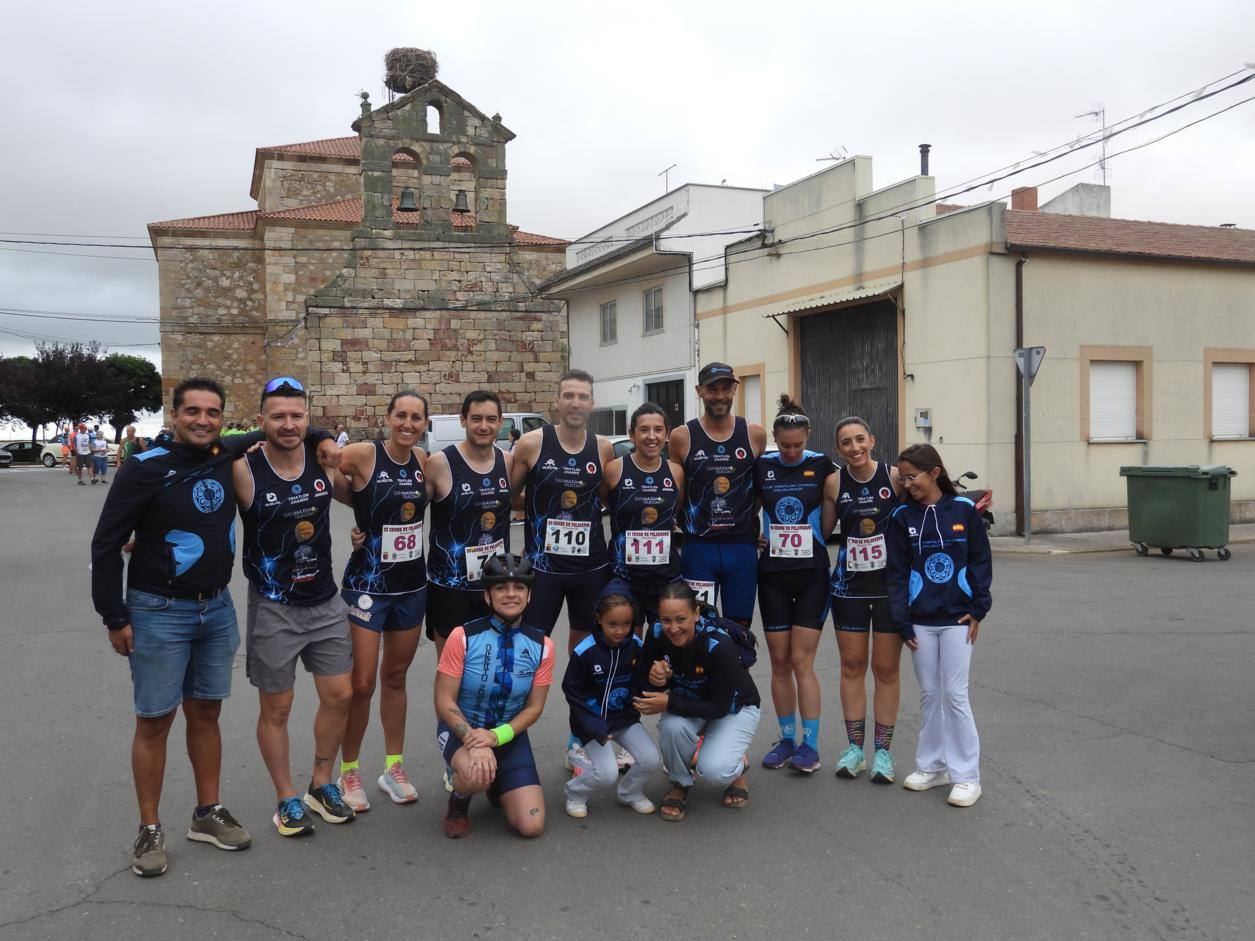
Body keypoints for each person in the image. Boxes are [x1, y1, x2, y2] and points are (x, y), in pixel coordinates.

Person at [90, 378, 253, 877]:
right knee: (155, 720)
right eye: (193, 411)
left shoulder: (225, 454)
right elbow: (105, 545)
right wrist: (113, 616)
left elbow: (279, 429)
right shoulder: (144, 468)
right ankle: (150, 828)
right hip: (158, 611)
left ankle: (207, 813)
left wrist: (320, 437)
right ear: (175, 415)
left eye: (213, 412)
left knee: (206, 714)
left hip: (216, 608)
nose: (203, 420)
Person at [232, 377, 356, 837]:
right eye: (278, 416)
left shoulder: (323, 460)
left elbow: (361, 497)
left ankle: (320, 784)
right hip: (274, 606)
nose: (288, 424)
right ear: (261, 419)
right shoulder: (244, 468)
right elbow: (191, 489)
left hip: (324, 599)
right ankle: (286, 797)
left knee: (339, 695)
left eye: (297, 416)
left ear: (308, 417)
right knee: (278, 709)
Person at [334, 391, 430, 812]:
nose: (408, 424)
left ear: (424, 423)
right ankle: (348, 769)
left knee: (395, 679)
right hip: (367, 587)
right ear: (388, 418)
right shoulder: (361, 454)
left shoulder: (425, 462)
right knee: (361, 683)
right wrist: (361, 523)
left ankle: (394, 766)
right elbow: (318, 472)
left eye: (416, 417)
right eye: (401, 416)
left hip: (410, 586)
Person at [886, 443, 993, 808]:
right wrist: (902, 622)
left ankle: (967, 776)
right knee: (931, 695)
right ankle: (932, 767)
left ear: (934, 473)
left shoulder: (964, 510)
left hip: (957, 620)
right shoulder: (902, 517)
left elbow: (980, 560)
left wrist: (979, 607)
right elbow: (897, 573)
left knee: (955, 694)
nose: (907, 483)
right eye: (902, 478)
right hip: (919, 622)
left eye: (912, 476)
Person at [434, 553, 554, 839]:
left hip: (509, 736)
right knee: (474, 774)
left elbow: (534, 709)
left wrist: (496, 737)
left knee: (531, 826)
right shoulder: (462, 637)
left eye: (519, 588)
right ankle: (459, 800)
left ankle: (496, 777)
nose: (510, 594)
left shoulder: (543, 646)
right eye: (501, 588)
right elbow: (444, 702)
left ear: (529, 595)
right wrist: (473, 740)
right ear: (487, 596)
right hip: (461, 731)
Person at [754, 396, 836, 774]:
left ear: (807, 438)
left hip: (811, 574)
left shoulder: (822, 465)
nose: (791, 451)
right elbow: (743, 505)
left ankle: (811, 746)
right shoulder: (763, 466)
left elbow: (854, 489)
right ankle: (787, 739)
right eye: (785, 445)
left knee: (802, 661)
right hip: (771, 573)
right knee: (779, 661)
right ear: (775, 438)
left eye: (797, 445)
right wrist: (754, 533)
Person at [635, 581, 761, 821]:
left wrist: (669, 703)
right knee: (672, 726)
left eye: (681, 619)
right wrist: (654, 679)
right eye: (666, 620)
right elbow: (642, 684)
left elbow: (719, 707)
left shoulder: (719, 645)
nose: (673, 628)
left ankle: (737, 768)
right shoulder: (655, 633)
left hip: (734, 708)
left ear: (696, 614)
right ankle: (680, 783)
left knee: (714, 771)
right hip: (692, 703)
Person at [827, 416, 907, 783]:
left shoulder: (892, 477)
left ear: (872, 440)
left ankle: (884, 754)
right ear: (838, 449)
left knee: (887, 671)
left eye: (860, 439)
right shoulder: (834, 482)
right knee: (852, 667)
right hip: (849, 589)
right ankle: (855, 750)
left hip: (889, 589)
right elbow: (823, 531)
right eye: (846, 442)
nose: (855, 447)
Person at [509, 369, 613, 651]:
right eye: (569, 396)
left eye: (583, 397)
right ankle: (530, 696)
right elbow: (509, 496)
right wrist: (538, 516)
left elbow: (610, 501)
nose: (575, 403)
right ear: (557, 401)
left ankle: (576, 696)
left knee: (585, 649)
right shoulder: (532, 443)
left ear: (592, 403)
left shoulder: (603, 448)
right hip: (543, 569)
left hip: (590, 568)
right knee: (530, 647)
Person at [668, 362, 767, 630]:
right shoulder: (681, 436)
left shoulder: (754, 434)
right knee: (698, 628)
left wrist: (746, 521)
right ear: (699, 391)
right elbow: (676, 492)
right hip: (699, 548)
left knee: (739, 627)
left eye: (726, 388)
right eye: (712, 389)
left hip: (741, 549)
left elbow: (758, 491)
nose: (720, 396)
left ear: (735, 389)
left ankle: (736, 671)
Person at [562, 581, 661, 818]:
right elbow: (572, 692)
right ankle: (575, 793)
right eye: (612, 624)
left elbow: (640, 683)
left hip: (624, 718)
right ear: (598, 619)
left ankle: (630, 793)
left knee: (651, 759)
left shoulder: (636, 646)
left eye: (627, 624)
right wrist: (593, 725)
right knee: (605, 774)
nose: (620, 631)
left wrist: (655, 683)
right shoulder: (584, 651)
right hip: (592, 723)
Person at [425, 390, 513, 655]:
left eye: (490, 419)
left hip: (494, 583)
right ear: (463, 420)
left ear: (500, 422)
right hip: (450, 586)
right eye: (476, 418)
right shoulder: (440, 463)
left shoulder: (507, 462)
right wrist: (365, 527)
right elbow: (407, 509)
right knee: (452, 670)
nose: (483, 426)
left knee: (492, 666)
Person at [603, 402, 684, 628]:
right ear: (632, 435)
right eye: (644, 430)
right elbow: (603, 501)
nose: (652, 436)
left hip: (665, 575)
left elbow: (675, 509)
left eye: (658, 430)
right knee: (629, 645)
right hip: (625, 575)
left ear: (667, 434)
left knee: (666, 640)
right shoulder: (614, 469)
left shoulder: (675, 472)